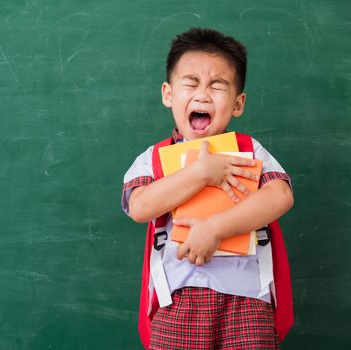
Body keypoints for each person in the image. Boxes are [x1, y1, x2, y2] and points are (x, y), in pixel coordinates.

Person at [121, 28, 294, 349]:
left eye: (217, 86)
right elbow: (140, 207)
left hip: (247, 300)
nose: (202, 95)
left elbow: (280, 195)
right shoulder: (153, 158)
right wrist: (201, 172)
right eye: (190, 83)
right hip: (177, 301)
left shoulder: (249, 150)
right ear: (168, 94)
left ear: (238, 103)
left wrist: (215, 228)